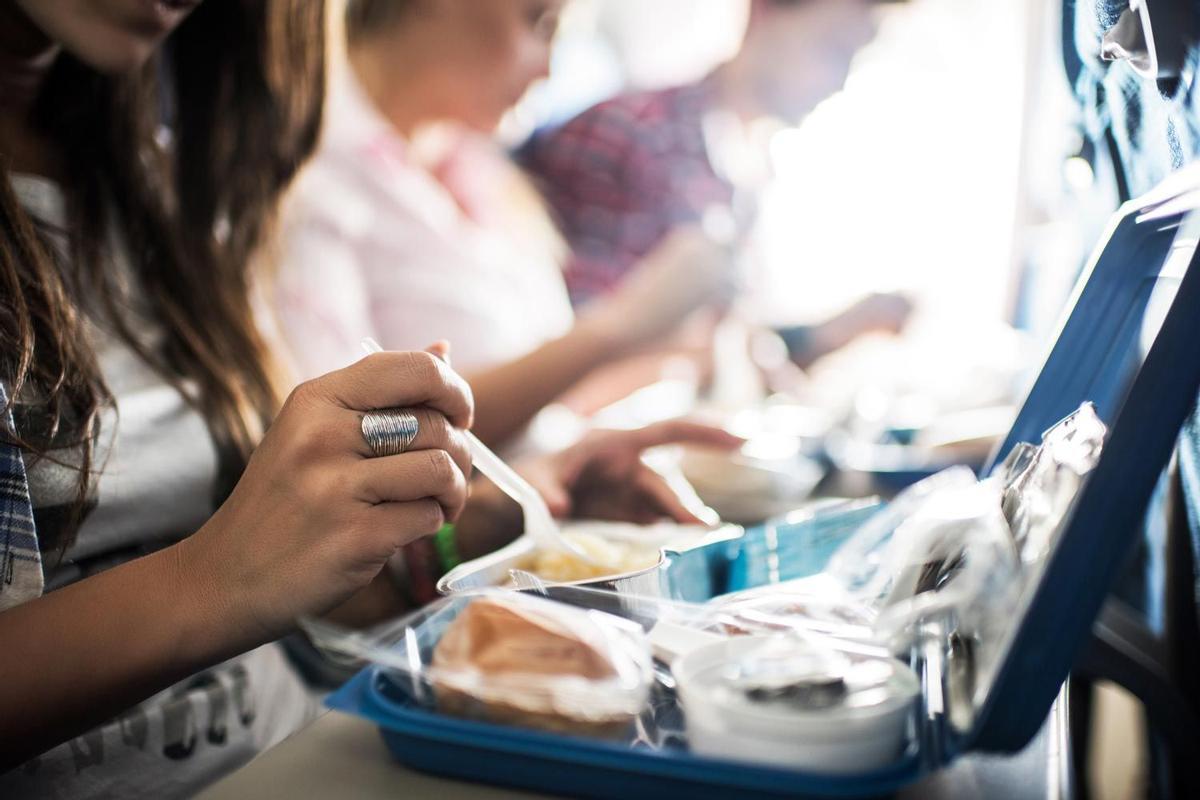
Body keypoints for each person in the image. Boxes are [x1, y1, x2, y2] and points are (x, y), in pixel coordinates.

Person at [0, 1, 738, 795]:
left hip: (320, 742)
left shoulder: (160, 183)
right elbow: (234, 579)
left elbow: (306, 606)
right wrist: (220, 576)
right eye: (537, 21)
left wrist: (472, 520)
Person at [275, 0, 737, 450]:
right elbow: (348, 440)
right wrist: (619, 325)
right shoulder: (308, 179)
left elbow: (537, 422)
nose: (549, 70)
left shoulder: (479, 168)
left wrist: (665, 360)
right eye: (538, 22)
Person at [520, 0, 913, 369]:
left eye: (854, 59)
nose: (839, 82)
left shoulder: (750, 180)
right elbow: (570, 353)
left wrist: (829, 334)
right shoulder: (631, 133)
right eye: (832, 51)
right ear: (762, 12)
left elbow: (722, 358)